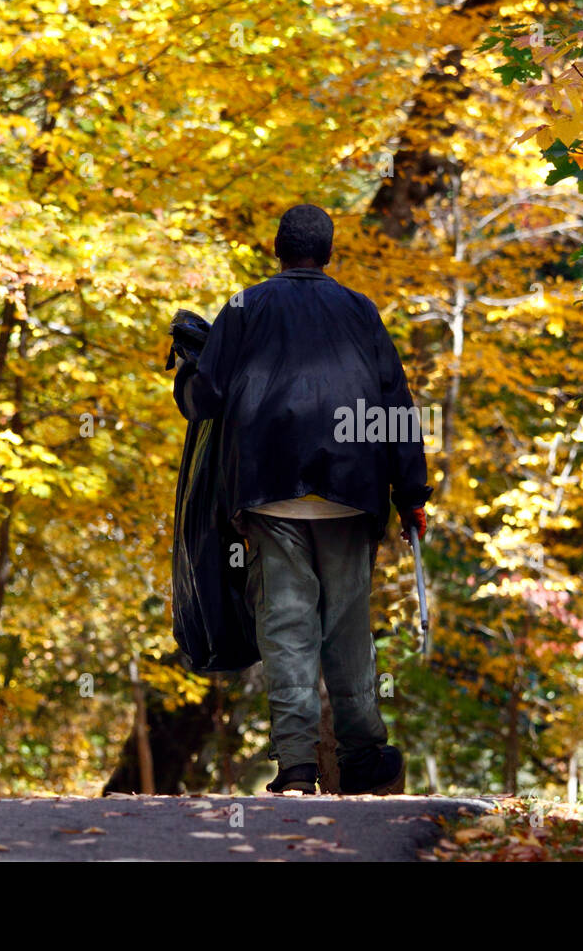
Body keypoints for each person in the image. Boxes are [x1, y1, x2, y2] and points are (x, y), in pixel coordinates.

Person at [174, 204, 431, 795]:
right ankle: (363, 754)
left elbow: (206, 396)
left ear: (276, 248)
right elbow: (395, 404)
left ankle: (296, 766)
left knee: (286, 627)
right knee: (347, 628)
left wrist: (186, 372)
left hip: (269, 488)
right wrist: (410, 493)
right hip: (352, 490)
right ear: (330, 253)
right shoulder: (361, 310)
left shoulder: (245, 306)